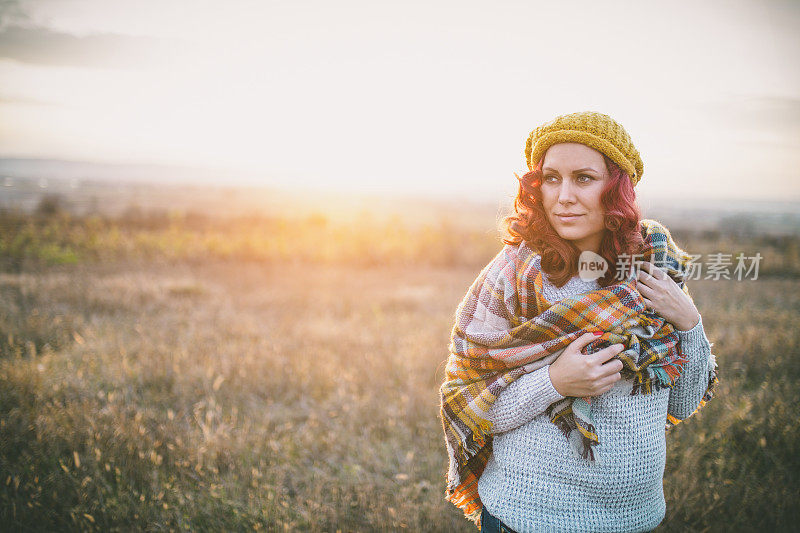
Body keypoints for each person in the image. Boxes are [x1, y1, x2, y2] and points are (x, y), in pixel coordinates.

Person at [440, 111, 718, 533]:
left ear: (617, 187)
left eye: (584, 178)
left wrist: (690, 323)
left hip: (636, 519)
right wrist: (555, 382)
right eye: (551, 178)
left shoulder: (651, 264)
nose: (563, 196)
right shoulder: (513, 277)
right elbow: (470, 404)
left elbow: (682, 403)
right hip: (527, 518)